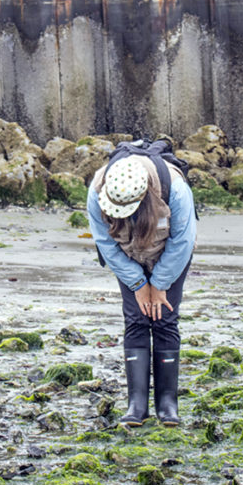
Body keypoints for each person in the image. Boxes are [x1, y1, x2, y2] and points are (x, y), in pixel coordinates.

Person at [87, 141, 197, 427]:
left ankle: (167, 404)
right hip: (127, 256)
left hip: (170, 254)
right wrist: (137, 283)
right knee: (136, 318)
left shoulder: (174, 188)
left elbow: (182, 241)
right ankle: (137, 404)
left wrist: (159, 284)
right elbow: (104, 243)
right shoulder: (97, 188)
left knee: (165, 317)